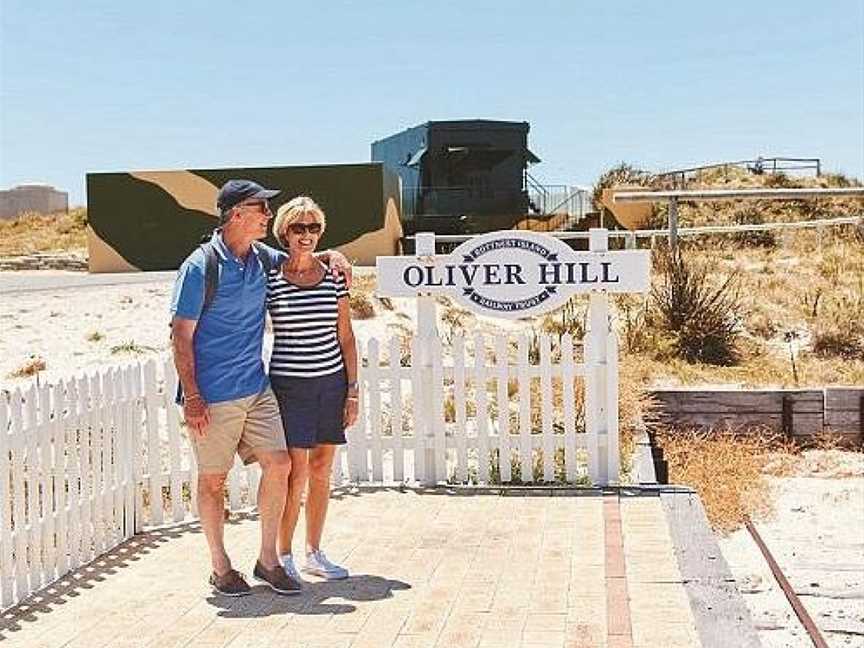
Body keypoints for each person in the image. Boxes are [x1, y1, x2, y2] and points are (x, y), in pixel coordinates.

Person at [170, 180, 350, 597]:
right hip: (212, 398)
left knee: (281, 465)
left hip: (255, 387)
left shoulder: (260, 258)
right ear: (237, 214)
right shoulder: (200, 267)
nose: (269, 215)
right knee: (213, 481)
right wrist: (193, 396)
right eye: (261, 208)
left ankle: (268, 561)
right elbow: (181, 335)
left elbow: (301, 256)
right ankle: (220, 567)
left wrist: (332, 254)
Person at [266, 196, 358, 584]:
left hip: (331, 384)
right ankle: (282, 554)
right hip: (289, 388)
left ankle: (314, 552)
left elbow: (346, 337)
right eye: (298, 228)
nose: (306, 235)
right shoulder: (269, 275)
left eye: (314, 228)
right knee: (296, 474)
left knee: (322, 470)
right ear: (284, 232)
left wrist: (352, 391)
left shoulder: (335, 275)